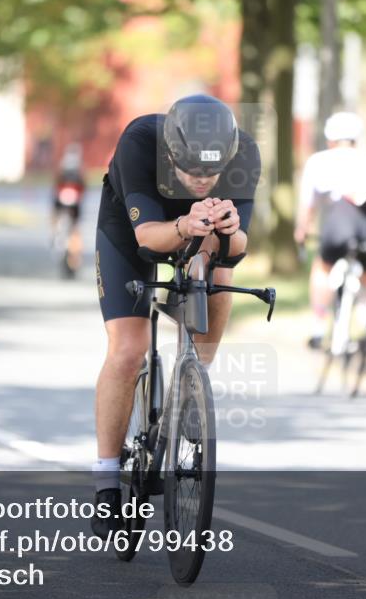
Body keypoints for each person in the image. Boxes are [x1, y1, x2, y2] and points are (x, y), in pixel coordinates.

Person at [91, 95, 260, 536]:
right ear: (170, 156)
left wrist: (226, 228)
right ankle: (106, 479)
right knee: (129, 350)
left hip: (200, 230)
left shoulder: (244, 152)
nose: (203, 181)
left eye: (212, 173)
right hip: (132, 229)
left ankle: (193, 382)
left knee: (217, 272)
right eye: (192, 172)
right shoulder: (140, 142)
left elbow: (240, 246)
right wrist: (185, 225)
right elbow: (147, 237)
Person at [294, 112, 366, 350]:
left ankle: (318, 330)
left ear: (329, 139)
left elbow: (309, 205)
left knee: (322, 269)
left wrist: (303, 230)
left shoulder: (318, 161)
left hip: (340, 223)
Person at [51, 142, 86, 273]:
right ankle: (75, 257)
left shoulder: (62, 167)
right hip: (74, 204)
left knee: (56, 218)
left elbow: (55, 185)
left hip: (60, 202)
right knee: (75, 229)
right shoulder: (79, 168)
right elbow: (83, 186)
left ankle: (55, 236)